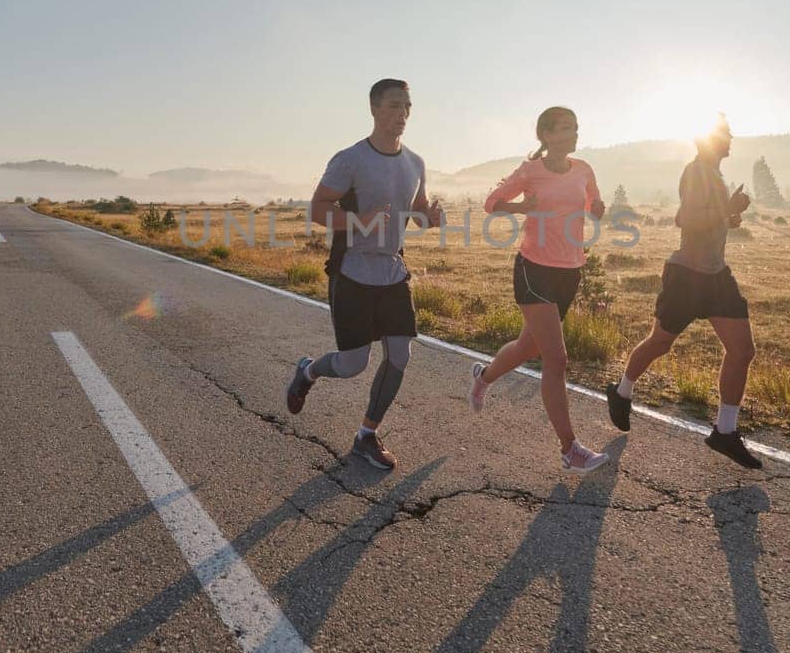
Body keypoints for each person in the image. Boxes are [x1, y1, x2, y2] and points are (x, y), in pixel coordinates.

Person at [285, 78, 443, 470]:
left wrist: (430, 218)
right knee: (354, 364)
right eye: (393, 106)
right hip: (353, 271)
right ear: (374, 109)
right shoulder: (350, 159)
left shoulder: (416, 163)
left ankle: (366, 435)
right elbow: (317, 209)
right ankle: (308, 371)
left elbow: (417, 210)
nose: (402, 114)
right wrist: (358, 220)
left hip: (392, 269)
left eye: (407, 106)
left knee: (400, 354)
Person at [604, 115, 761, 468]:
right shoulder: (696, 172)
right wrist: (727, 210)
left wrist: (728, 218)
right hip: (687, 275)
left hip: (716, 275)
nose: (730, 137)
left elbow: (710, 218)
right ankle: (622, 391)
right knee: (660, 342)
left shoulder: (715, 174)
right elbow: (685, 219)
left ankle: (725, 431)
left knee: (742, 350)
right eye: (724, 133)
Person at [467, 106, 611, 473]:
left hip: (570, 271)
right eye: (565, 128)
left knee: (526, 347)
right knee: (556, 358)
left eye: (575, 127)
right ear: (546, 135)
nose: (574, 133)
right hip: (534, 270)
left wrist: (597, 208)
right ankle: (569, 449)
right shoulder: (530, 171)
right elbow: (491, 203)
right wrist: (520, 207)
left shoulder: (584, 169)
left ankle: (483, 378)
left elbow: (594, 205)